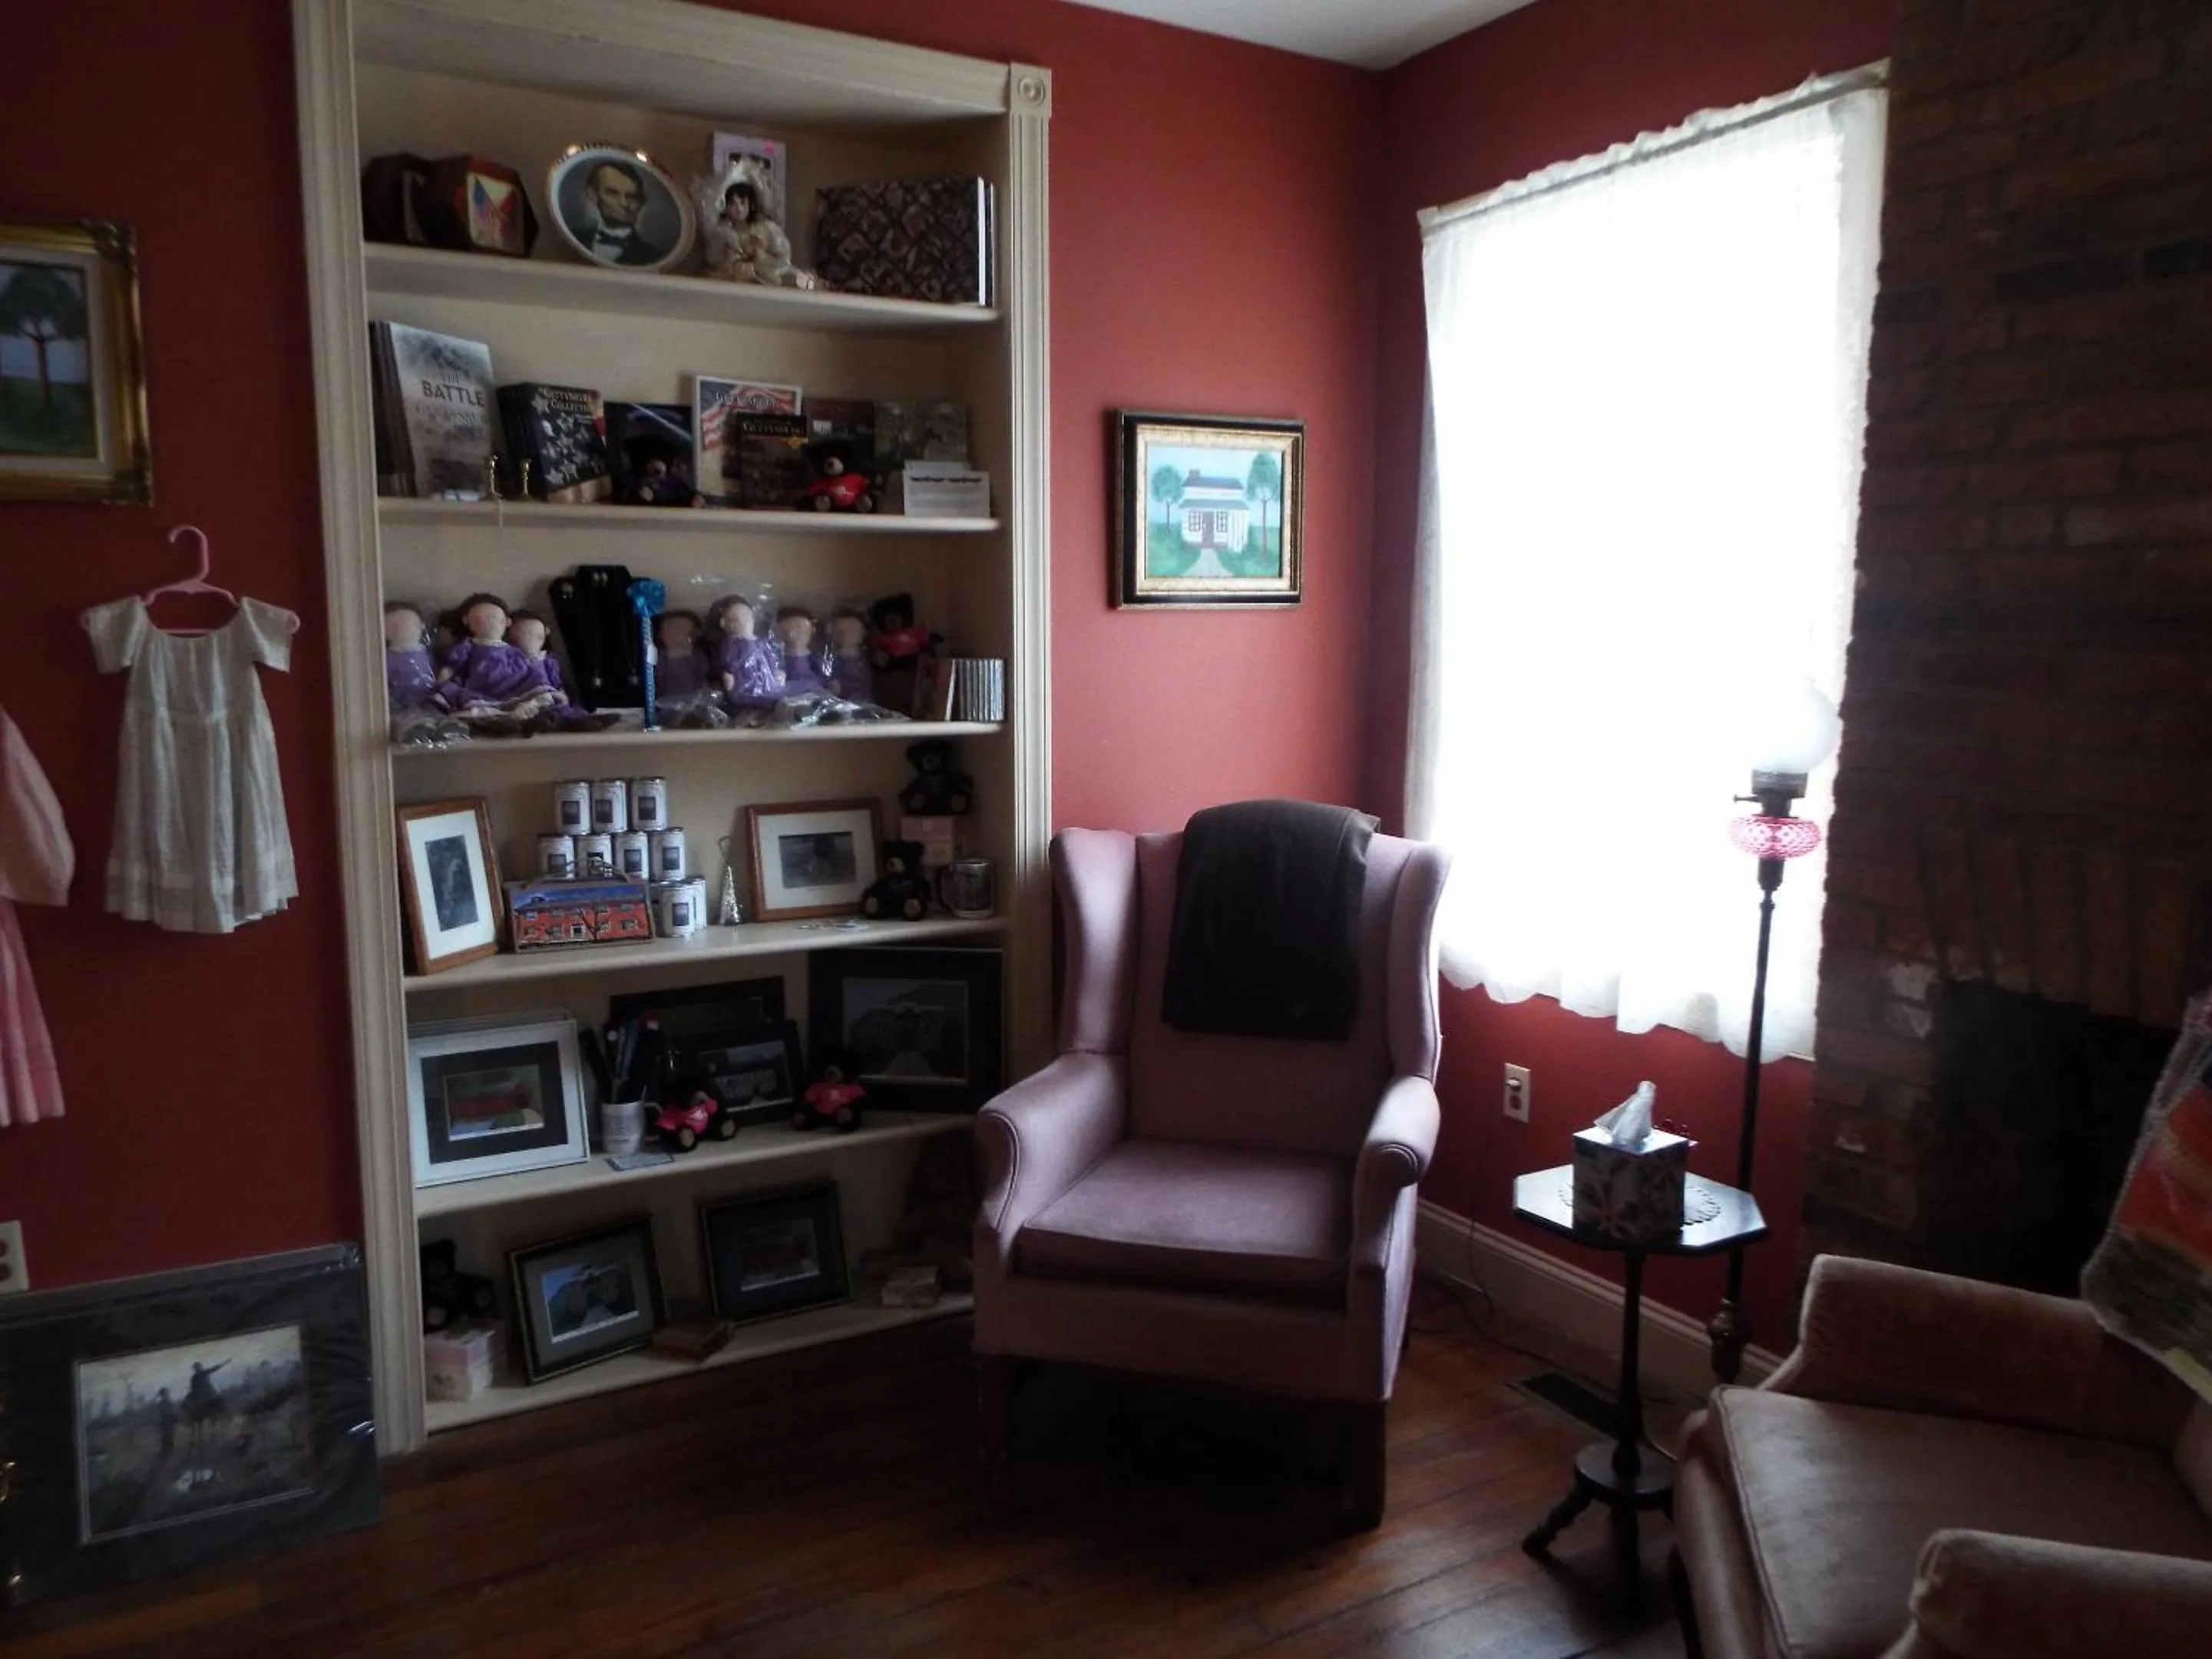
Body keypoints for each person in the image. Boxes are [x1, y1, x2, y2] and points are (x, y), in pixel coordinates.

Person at [578, 158, 667, 268]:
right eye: (612, 193)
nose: (624, 204)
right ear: (593, 195)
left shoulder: (655, 257)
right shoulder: (576, 240)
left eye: (631, 197)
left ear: (641, 203)